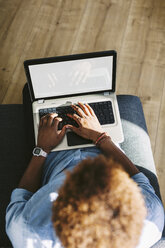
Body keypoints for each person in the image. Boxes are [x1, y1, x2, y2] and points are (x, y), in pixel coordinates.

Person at [6, 102, 164, 248]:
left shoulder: (29, 233)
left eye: (70, 179)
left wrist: (41, 149)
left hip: (53, 155)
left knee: (36, 99)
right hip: (102, 144)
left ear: (59, 207)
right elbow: (139, 180)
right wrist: (101, 137)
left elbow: (22, 197)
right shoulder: (150, 219)